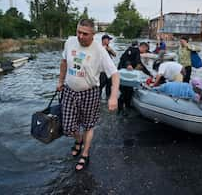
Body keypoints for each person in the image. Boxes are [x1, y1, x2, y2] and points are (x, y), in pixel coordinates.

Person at [56, 19, 120, 171]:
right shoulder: (70, 42)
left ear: (93, 34)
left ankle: (85, 152)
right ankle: (78, 140)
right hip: (69, 91)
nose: (80, 36)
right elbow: (64, 61)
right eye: (78, 32)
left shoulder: (99, 50)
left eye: (85, 34)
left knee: (88, 125)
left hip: (90, 92)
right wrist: (60, 81)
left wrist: (113, 96)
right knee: (69, 127)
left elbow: (115, 74)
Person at [117, 42, 152, 115]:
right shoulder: (132, 50)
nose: (145, 52)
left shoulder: (138, 54)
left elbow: (141, 65)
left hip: (129, 77)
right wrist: (128, 64)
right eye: (145, 50)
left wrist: (149, 74)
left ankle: (127, 107)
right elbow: (124, 58)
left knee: (129, 91)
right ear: (144, 47)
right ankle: (120, 109)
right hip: (123, 76)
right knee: (123, 92)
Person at [99, 34, 116, 99]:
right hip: (102, 72)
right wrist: (104, 49)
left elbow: (115, 55)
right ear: (104, 40)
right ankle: (98, 100)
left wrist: (109, 49)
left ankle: (108, 98)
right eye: (108, 40)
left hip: (109, 71)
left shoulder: (108, 48)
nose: (109, 41)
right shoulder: (99, 47)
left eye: (109, 40)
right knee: (100, 86)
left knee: (109, 86)